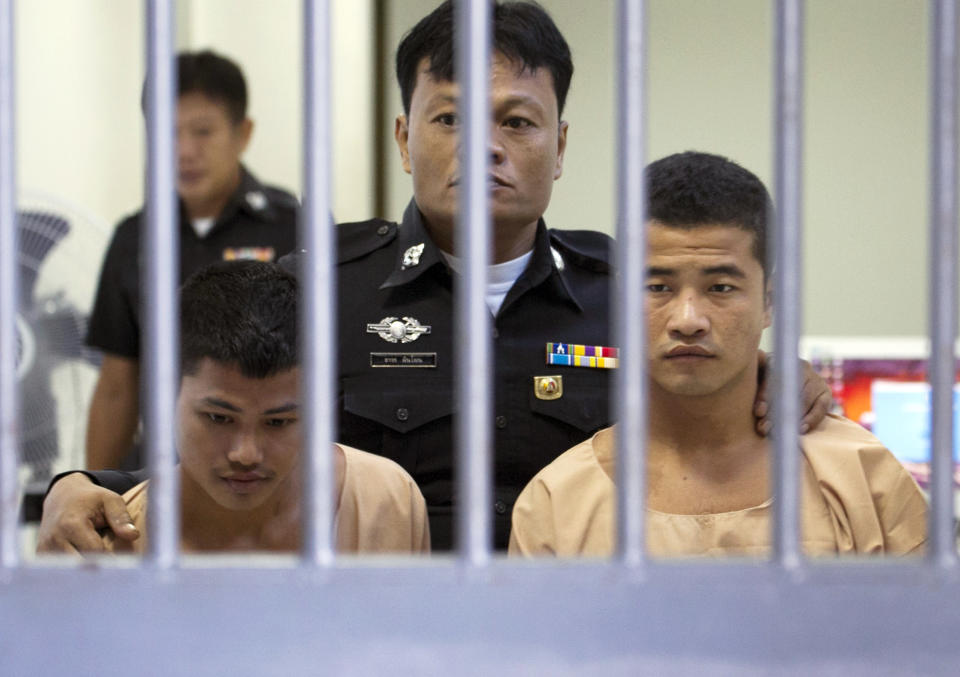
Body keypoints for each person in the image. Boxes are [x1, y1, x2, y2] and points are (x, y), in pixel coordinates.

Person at [39, 2, 830, 554]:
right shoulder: (315, 290)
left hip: (585, 628)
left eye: (516, 122)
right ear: (403, 138)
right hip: (373, 632)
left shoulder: (635, 293)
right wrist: (86, 482)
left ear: (559, 146)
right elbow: (234, 441)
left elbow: (717, 411)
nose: (482, 145)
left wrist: (766, 375)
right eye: (449, 118)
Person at [508, 151, 928, 558]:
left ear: (769, 300)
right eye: (658, 287)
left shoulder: (864, 480)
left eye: (721, 287)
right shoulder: (557, 505)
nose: (688, 320)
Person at [77, 260, 429, 555]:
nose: (245, 454)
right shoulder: (109, 543)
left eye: (278, 422)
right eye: (219, 418)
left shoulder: (387, 501)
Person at [85, 50, 298, 471]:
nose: (184, 151)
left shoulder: (295, 229)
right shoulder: (135, 237)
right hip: (162, 471)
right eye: (167, 133)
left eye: (202, 131)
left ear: (243, 133)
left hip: (266, 469)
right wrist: (92, 489)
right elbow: (116, 385)